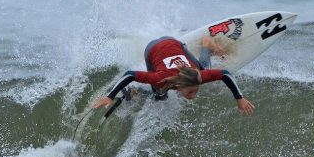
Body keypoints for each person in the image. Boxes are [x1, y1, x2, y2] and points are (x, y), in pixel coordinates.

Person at [92, 36, 255, 116]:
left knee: (203, 67)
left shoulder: (197, 76)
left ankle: (207, 45)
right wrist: (109, 96)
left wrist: (239, 98)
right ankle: (136, 91)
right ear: (180, 86)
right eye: (191, 92)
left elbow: (225, 74)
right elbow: (129, 75)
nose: (194, 95)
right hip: (153, 49)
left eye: (195, 91)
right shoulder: (161, 78)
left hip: (175, 44)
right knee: (159, 95)